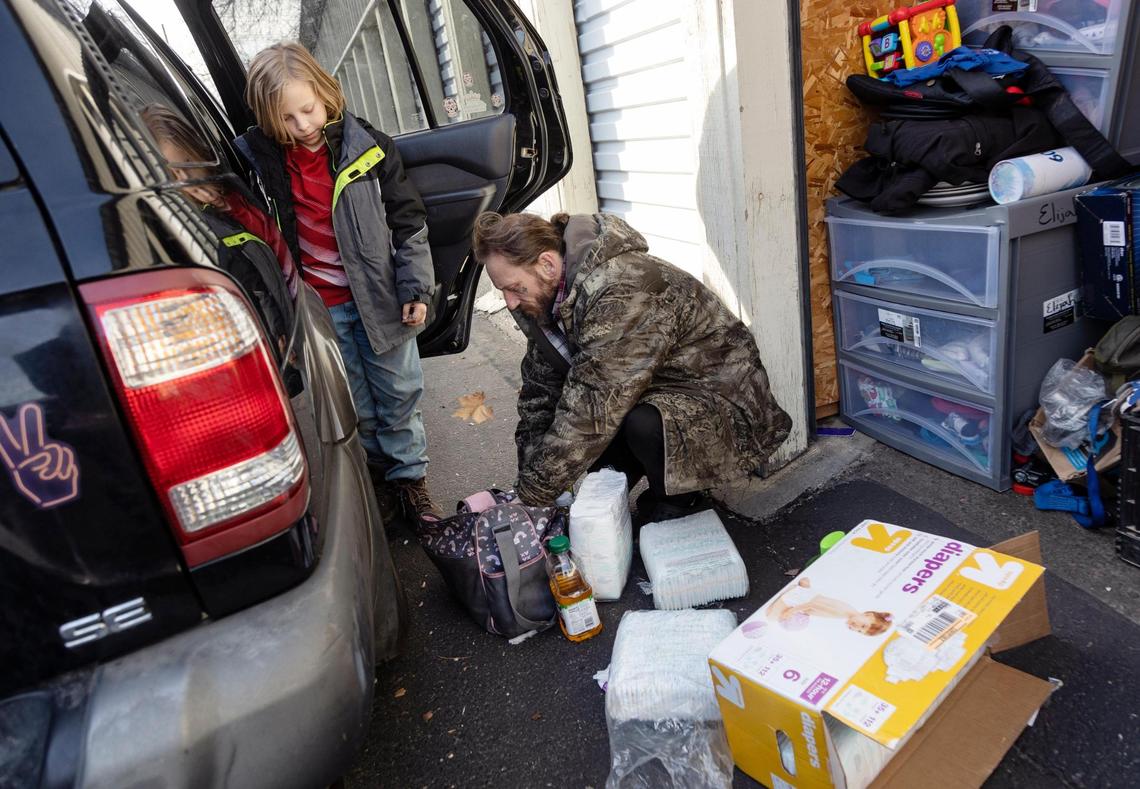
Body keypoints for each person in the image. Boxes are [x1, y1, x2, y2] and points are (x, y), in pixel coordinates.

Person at [472, 211, 793, 521]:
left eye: (514, 288)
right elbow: (539, 395)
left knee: (639, 425)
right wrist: (529, 484)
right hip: (650, 386)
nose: (510, 302)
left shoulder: (619, 288)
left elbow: (593, 408)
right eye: (503, 292)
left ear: (546, 264)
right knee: (593, 477)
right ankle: (646, 481)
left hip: (721, 399)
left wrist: (534, 492)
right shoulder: (545, 301)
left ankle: (680, 497)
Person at [234, 42, 440, 519]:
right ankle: (380, 480)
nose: (303, 125)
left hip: (381, 302)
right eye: (287, 118)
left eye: (307, 109)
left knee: (399, 396)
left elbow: (409, 223)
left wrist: (415, 288)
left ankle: (410, 480)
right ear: (268, 119)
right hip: (319, 311)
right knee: (356, 402)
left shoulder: (368, 149)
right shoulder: (263, 165)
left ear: (326, 92)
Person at [765, 577, 892, 635]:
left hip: (808, 597)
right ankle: (799, 589)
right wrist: (792, 611)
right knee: (770, 616)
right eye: (863, 625)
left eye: (859, 631)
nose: (857, 627)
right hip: (799, 599)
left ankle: (805, 587)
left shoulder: (849, 611)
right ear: (867, 615)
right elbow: (814, 604)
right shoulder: (842, 613)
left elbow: (817, 606)